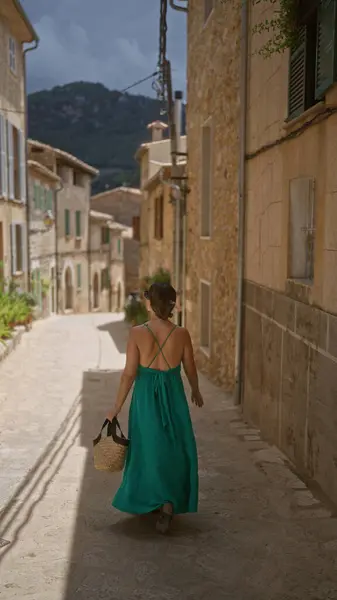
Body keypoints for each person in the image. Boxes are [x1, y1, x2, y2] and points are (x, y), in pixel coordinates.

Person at [106, 282, 204, 534]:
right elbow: (190, 367)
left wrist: (116, 407)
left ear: (149, 303)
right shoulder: (181, 334)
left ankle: (152, 499)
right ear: (171, 305)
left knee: (148, 447)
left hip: (146, 398)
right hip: (173, 395)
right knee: (175, 447)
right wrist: (195, 389)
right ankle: (168, 502)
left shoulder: (137, 333)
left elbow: (128, 374)